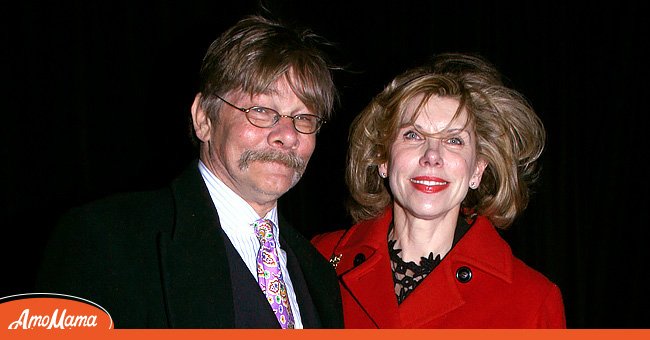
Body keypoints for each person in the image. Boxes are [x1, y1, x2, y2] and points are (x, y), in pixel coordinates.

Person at [36, 15, 343, 329]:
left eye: (304, 118)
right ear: (203, 119)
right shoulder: (106, 241)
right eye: (262, 110)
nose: (288, 135)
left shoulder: (318, 273)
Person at [312, 53, 566, 328]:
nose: (432, 155)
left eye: (454, 140)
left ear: (477, 169)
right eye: (413, 135)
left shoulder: (532, 299)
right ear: (383, 159)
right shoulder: (320, 259)